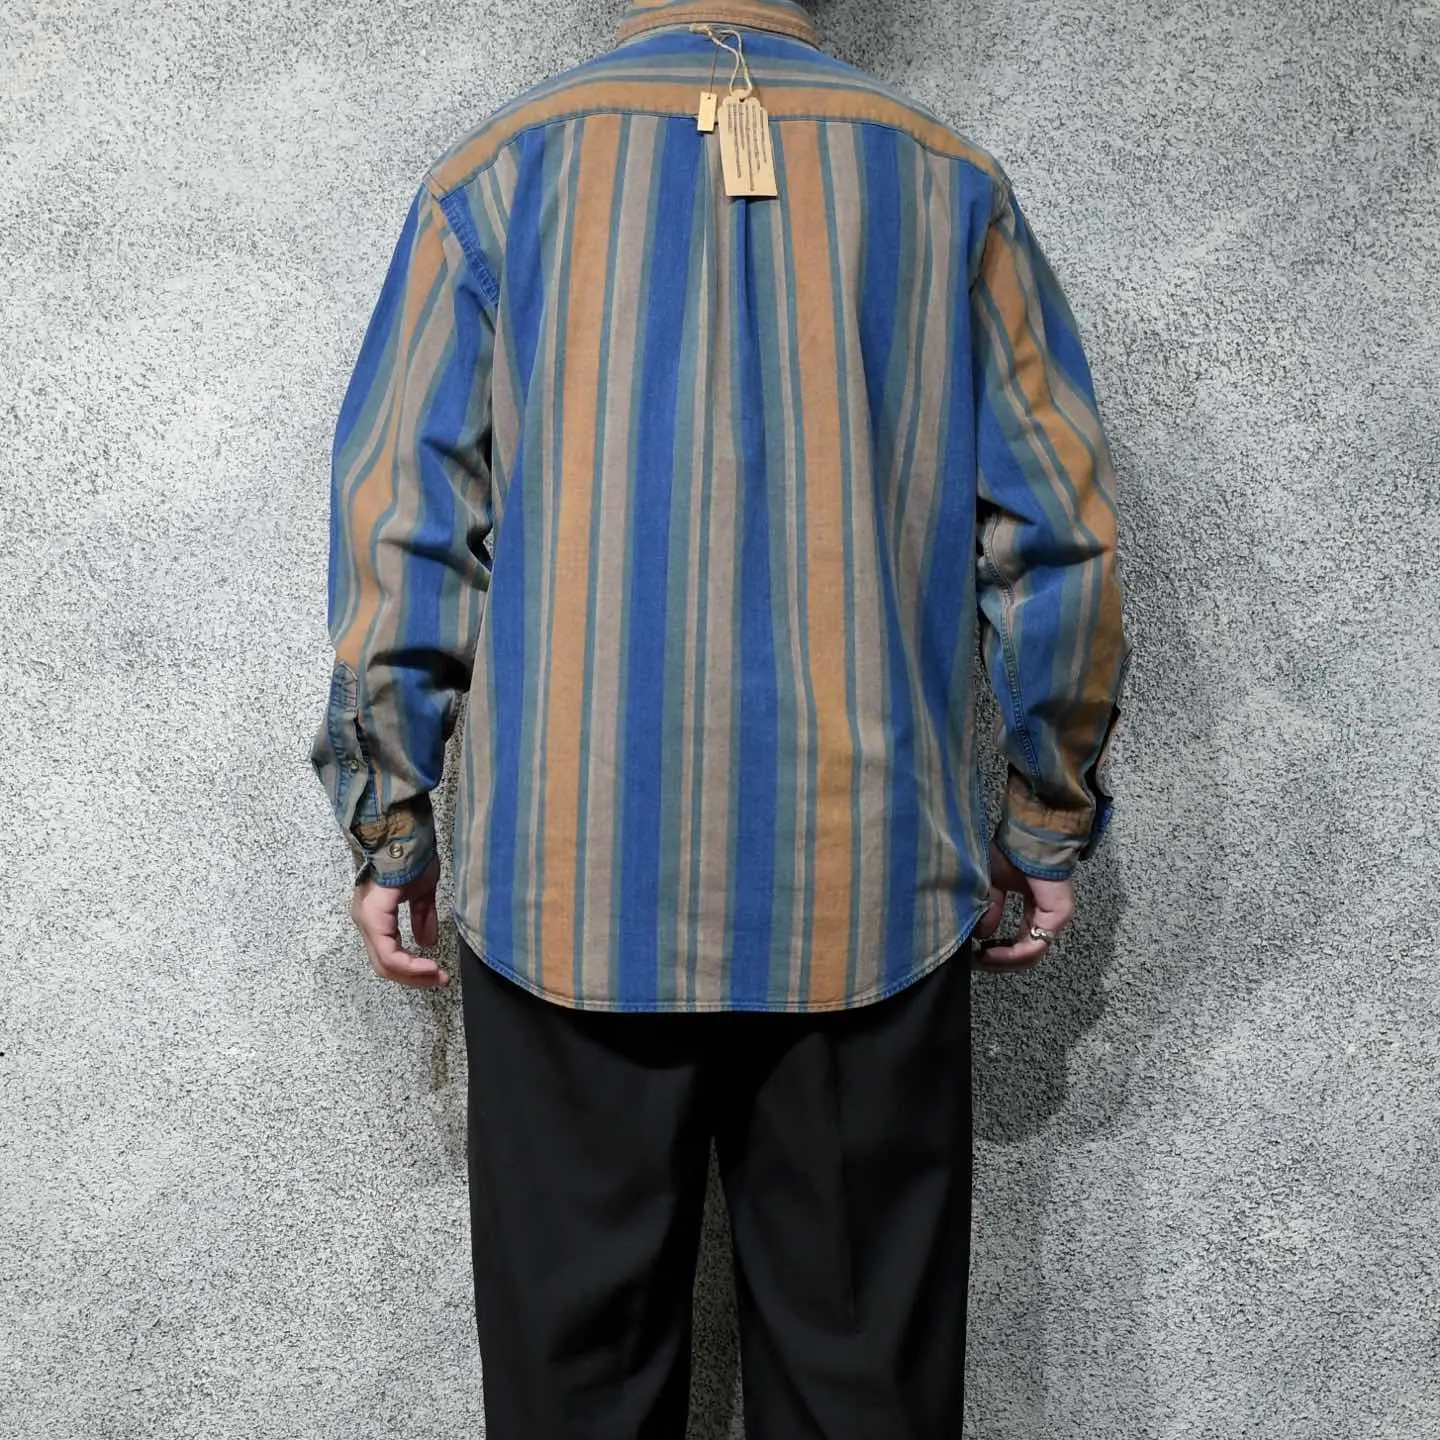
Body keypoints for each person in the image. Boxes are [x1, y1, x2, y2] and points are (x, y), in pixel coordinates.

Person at [309, 0, 1131, 1434]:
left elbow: (402, 529)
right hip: (866, 897)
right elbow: (1059, 538)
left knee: (574, 1402)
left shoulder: (497, 176)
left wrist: (390, 820)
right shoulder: (944, 180)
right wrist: (1044, 812)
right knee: (864, 1401)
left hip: (569, 897)